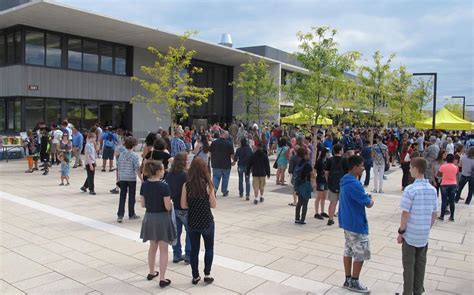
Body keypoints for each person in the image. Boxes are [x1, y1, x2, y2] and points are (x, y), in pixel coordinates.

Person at [398, 157, 437, 295]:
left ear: (415, 169)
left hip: (410, 234)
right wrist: (427, 227)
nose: (409, 170)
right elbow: (434, 214)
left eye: (410, 168)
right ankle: (418, 290)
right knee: (421, 265)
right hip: (423, 234)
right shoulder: (432, 190)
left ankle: (407, 292)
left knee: (408, 266)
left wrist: (401, 232)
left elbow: (405, 214)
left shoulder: (410, 189)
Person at [339, 155, 374, 293]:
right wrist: (370, 199)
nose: (363, 167)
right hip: (356, 223)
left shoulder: (344, 180)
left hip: (347, 222)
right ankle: (354, 281)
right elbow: (368, 203)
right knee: (360, 253)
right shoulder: (355, 184)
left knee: (348, 250)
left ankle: (348, 279)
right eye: (361, 165)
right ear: (354, 168)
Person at [181, 157, 216, 285]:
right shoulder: (208, 185)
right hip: (207, 220)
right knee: (209, 248)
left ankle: (195, 276)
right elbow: (213, 205)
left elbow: (183, 205)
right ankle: (207, 274)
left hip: (192, 221)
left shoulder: (186, 185)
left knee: (194, 249)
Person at [139, 160, 175, 288]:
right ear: (159, 171)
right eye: (163, 168)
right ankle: (162, 278)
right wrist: (171, 203)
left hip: (149, 217)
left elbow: (142, 204)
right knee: (163, 249)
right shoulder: (164, 186)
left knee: (152, 247)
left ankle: (151, 271)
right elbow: (167, 206)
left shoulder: (144, 185)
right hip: (162, 218)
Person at [165, 152, 190, 264]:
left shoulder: (169, 174)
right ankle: (188, 255)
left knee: (176, 232)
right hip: (186, 207)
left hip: (175, 206)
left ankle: (176, 254)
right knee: (189, 232)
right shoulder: (186, 175)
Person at [116, 137, 142, 223]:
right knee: (131, 196)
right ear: (134, 145)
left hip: (123, 178)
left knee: (122, 196)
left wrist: (118, 178)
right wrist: (141, 178)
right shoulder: (134, 156)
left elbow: (119, 167)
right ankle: (131, 214)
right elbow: (137, 168)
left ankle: (120, 215)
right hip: (131, 178)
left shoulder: (121, 155)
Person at [325, 144, 348, 226]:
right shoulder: (345, 160)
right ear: (341, 150)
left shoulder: (329, 160)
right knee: (343, 203)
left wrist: (328, 182)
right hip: (342, 184)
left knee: (332, 203)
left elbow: (326, 172)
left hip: (332, 184)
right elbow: (347, 173)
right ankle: (342, 220)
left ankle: (330, 219)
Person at [209, 131, 234, 197]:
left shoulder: (214, 143)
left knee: (215, 177)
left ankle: (214, 190)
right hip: (226, 164)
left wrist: (211, 160)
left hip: (216, 163)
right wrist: (234, 161)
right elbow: (231, 155)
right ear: (225, 135)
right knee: (225, 178)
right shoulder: (229, 144)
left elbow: (210, 153)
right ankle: (224, 191)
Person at [294, 148, 313, 225]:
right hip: (306, 184)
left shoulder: (299, 162)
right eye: (308, 154)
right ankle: (302, 219)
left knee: (299, 202)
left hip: (299, 184)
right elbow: (312, 175)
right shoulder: (308, 164)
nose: (309, 156)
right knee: (305, 203)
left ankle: (297, 218)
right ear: (305, 155)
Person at [438, 154, 458, 221]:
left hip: (444, 184)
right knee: (452, 201)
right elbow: (456, 174)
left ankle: (442, 216)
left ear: (446, 159)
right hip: (453, 184)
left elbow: (439, 174)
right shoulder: (456, 167)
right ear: (453, 159)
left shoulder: (443, 166)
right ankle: (452, 216)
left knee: (444, 200)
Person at [314, 148, 329, 220]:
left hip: (326, 181)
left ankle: (322, 211)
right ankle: (316, 212)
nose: (328, 154)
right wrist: (314, 181)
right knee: (319, 196)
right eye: (327, 153)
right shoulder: (319, 161)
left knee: (324, 197)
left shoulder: (328, 161)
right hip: (320, 180)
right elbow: (315, 171)